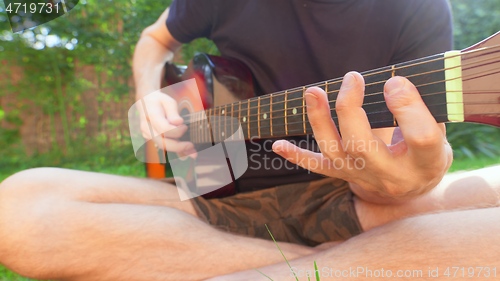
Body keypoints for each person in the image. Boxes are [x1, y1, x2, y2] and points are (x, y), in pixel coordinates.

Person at [0, 0, 499, 280]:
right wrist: (146, 95)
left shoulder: (417, 11)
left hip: (346, 202)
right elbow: (155, 40)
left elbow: (383, 164)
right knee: (16, 209)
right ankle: (363, 263)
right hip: (217, 193)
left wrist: (395, 181)